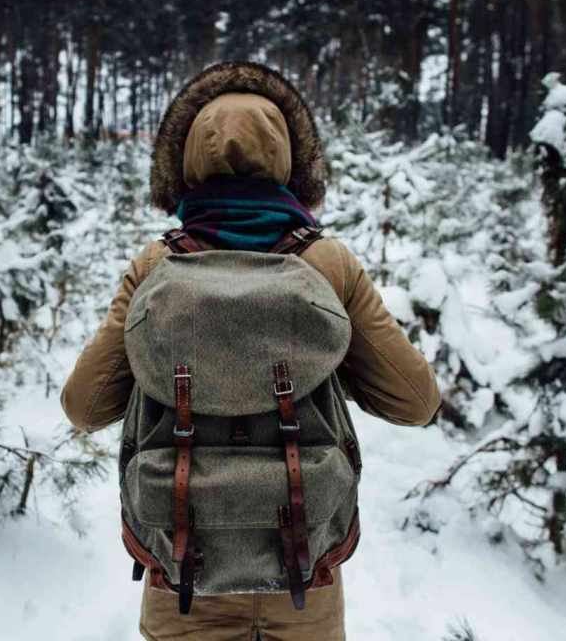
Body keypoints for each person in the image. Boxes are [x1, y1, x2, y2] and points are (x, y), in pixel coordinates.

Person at [61, 61, 441, 641]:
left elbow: (85, 407)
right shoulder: (327, 264)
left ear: (185, 161)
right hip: (304, 566)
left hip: (181, 569)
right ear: (290, 159)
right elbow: (415, 401)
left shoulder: (158, 265)